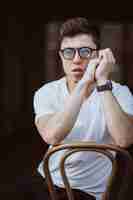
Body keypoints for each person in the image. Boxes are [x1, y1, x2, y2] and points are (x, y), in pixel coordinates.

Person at [33, 17, 133, 200]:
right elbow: (52, 135)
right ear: (61, 56)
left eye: (85, 51)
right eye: (69, 52)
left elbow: (124, 139)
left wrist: (102, 81)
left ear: (98, 55)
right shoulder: (46, 92)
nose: (77, 59)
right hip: (51, 183)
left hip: (100, 192)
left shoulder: (120, 92)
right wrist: (85, 82)